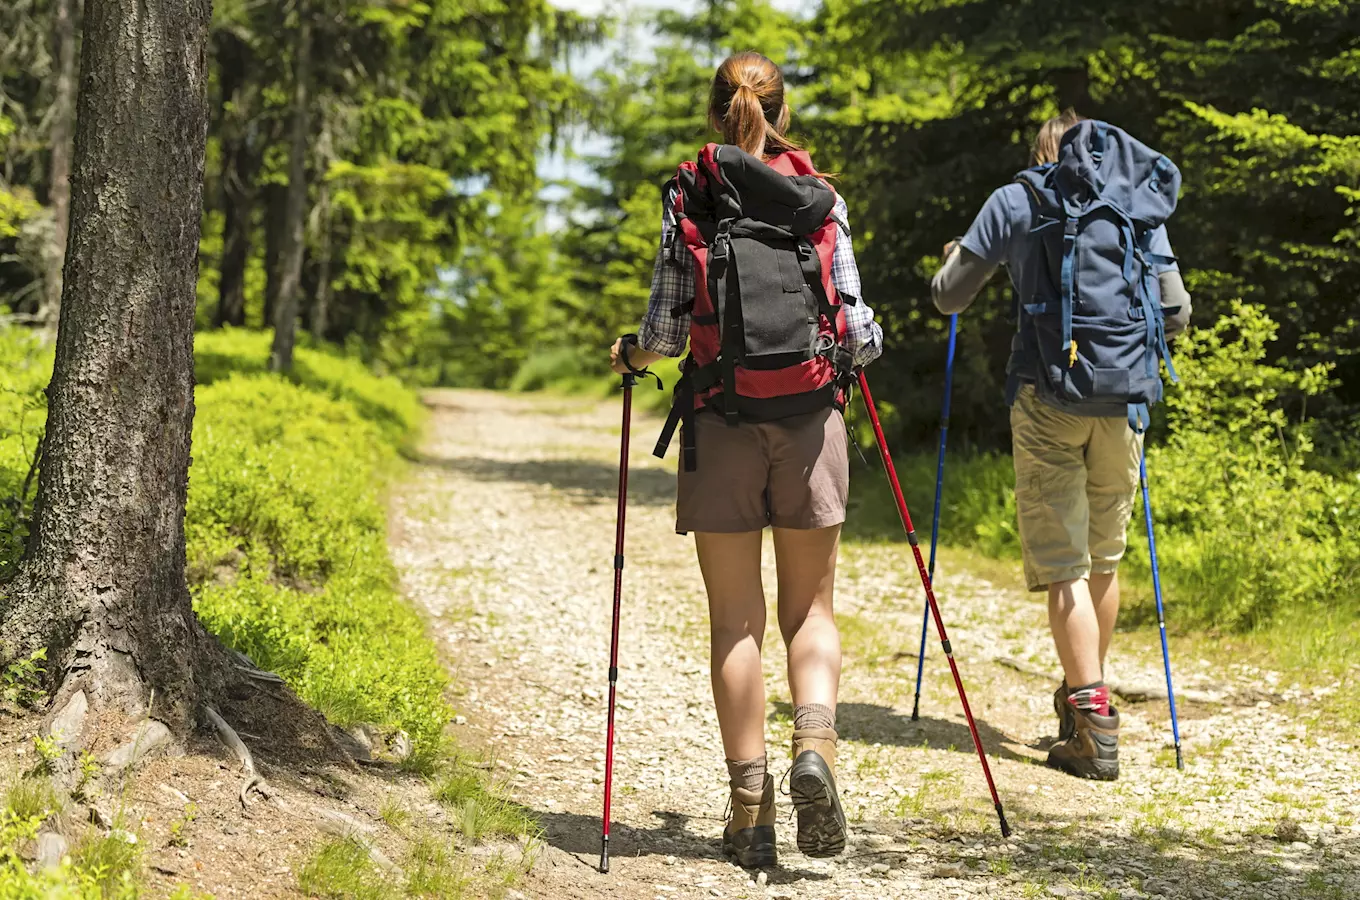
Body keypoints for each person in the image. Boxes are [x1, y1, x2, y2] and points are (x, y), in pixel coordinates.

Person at [608, 51, 882, 867]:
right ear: (782, 112)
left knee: (736, 622)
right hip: (809, 423)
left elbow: (665, 328)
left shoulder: (689, 194)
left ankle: (750, 810)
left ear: (714, 112)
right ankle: (816, 750)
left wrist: (632, 355)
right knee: (811, 612)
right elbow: (859, 330)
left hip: (720, 421)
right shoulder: (821, 199)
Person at [930, 110, 1192, 781]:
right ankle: (1085, 693)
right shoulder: (1137, 203)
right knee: (1103, 557)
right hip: (1126, 402)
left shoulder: (1017, 198)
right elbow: (1178, 313)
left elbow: (949, 298)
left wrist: (953, 261)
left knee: (1064, 567)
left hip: (1047, 395)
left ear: (1041, 150)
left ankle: (1092, 721)